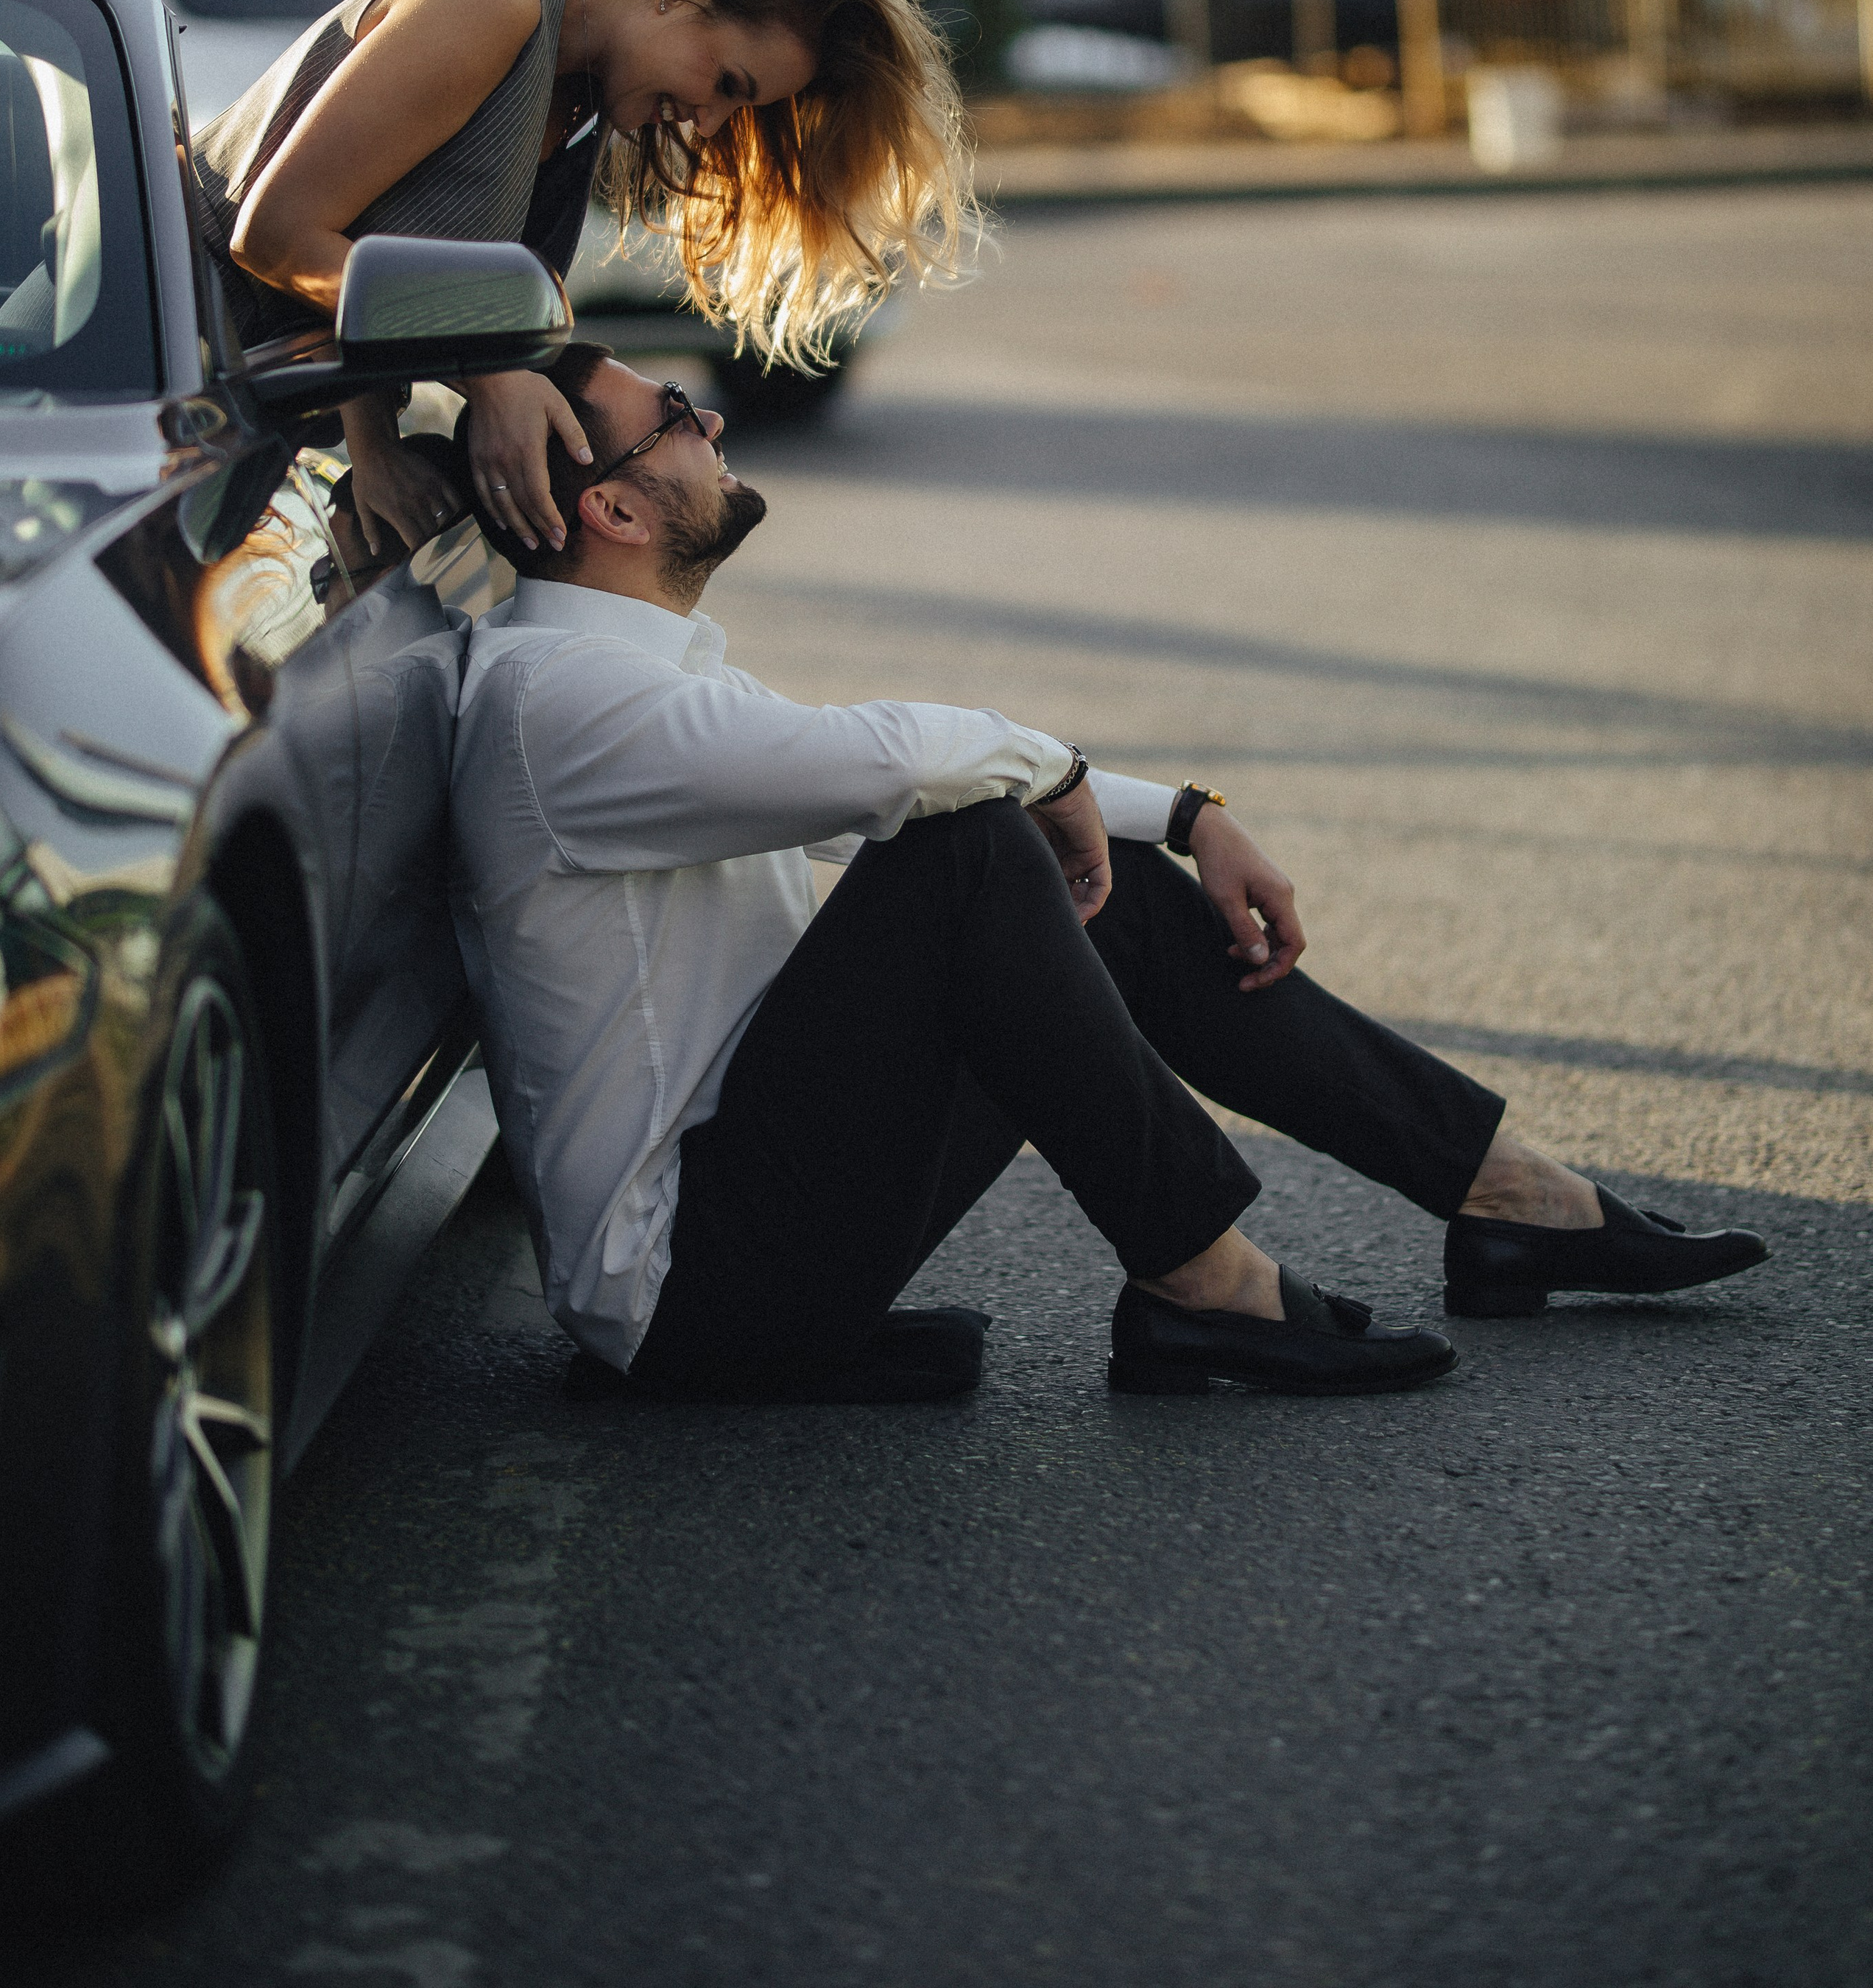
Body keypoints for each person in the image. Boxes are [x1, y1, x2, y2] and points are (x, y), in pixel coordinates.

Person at [448, 346, 1769, 1404]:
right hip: (693, 1286)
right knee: (974, 844)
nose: (715, 424)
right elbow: (898, 762)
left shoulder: (623, 681)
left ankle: (1504, 1195)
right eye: (674, 414)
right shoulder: (562, 705)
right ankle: (1208, 1287)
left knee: (1082, 877)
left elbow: (884, 772)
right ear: (612, 506)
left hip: (759, 1192)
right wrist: (1068, 788)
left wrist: (1181, 819)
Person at [188, 0, 967, 564]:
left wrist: (378, 448)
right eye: (727, 82)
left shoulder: (581, 96)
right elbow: (277, 232)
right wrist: (490, 372)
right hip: (146, 367)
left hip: (239, 417)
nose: (711, 124)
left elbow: (372, 245)